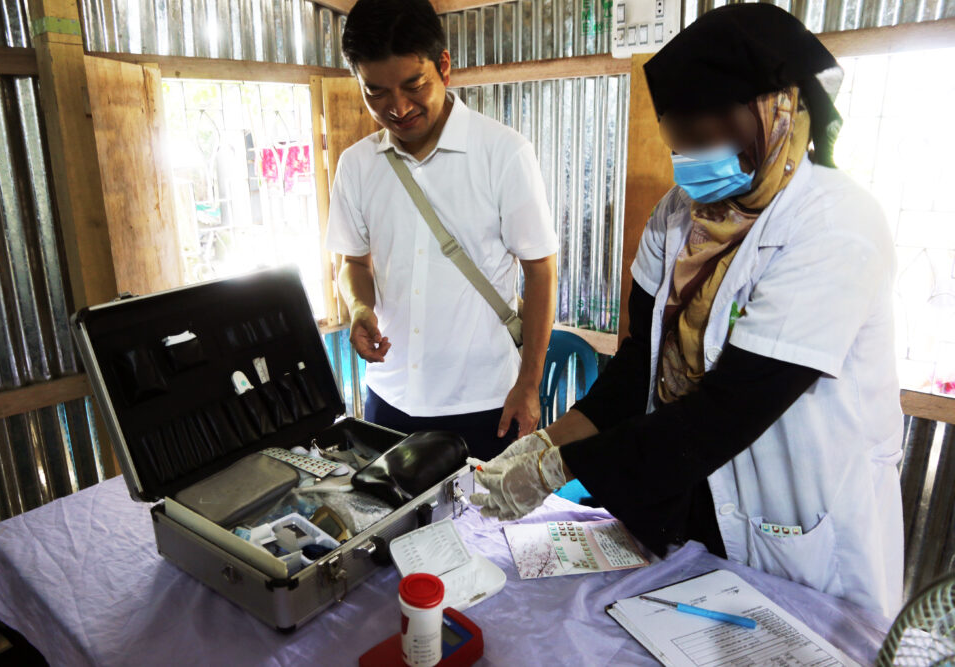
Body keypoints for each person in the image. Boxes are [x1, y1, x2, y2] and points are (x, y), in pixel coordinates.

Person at [469, 3, 904, 618]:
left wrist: (557, 468)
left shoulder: (835, 226)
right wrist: (544, 443)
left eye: (704, 140)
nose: (690, 161)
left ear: (774, 112)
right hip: (691, 499)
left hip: (793, 514)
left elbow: (728, 410)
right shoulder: (679, 216)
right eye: (680, 141)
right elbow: (633, 372)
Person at [327, 0, 558, 459]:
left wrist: (529, 384)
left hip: (485, 403)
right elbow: (353, 262)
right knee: (389, 527)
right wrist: (358, 308)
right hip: (388, 398)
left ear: (444, 67)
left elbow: (541, 271)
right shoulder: (356, 166)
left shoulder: (503, 154)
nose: (397, 108)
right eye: (375, 92)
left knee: (487, 529)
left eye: (413, 85)